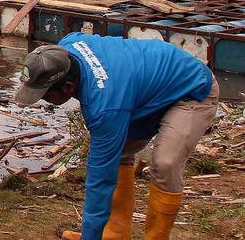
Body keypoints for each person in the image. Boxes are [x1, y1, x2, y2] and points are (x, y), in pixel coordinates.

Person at [15, 35, 219, 240]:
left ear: (68, 86)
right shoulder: (65, 49)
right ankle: (115, 234)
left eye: (44, 95)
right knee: (118, 154)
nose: (42, 100)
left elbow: (101, 181)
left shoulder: (104, 105)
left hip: (191, 90)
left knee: (165, 163)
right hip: (140, 92)